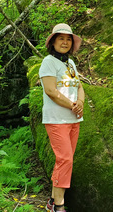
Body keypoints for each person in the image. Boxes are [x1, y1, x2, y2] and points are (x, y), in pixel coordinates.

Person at [39, 23, 85, 212]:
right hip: (56, 119)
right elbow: (50, 91)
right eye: (61, 38)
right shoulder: (48, 62)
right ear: (53, 42)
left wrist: (80, 102)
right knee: (65, 159)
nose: (65, 42)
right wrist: (72, 105)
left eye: (68, 39)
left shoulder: (70, 63)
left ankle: (52, 200)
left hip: (73, 120)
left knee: (65, 160)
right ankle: (58, 207)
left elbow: (79, 86)